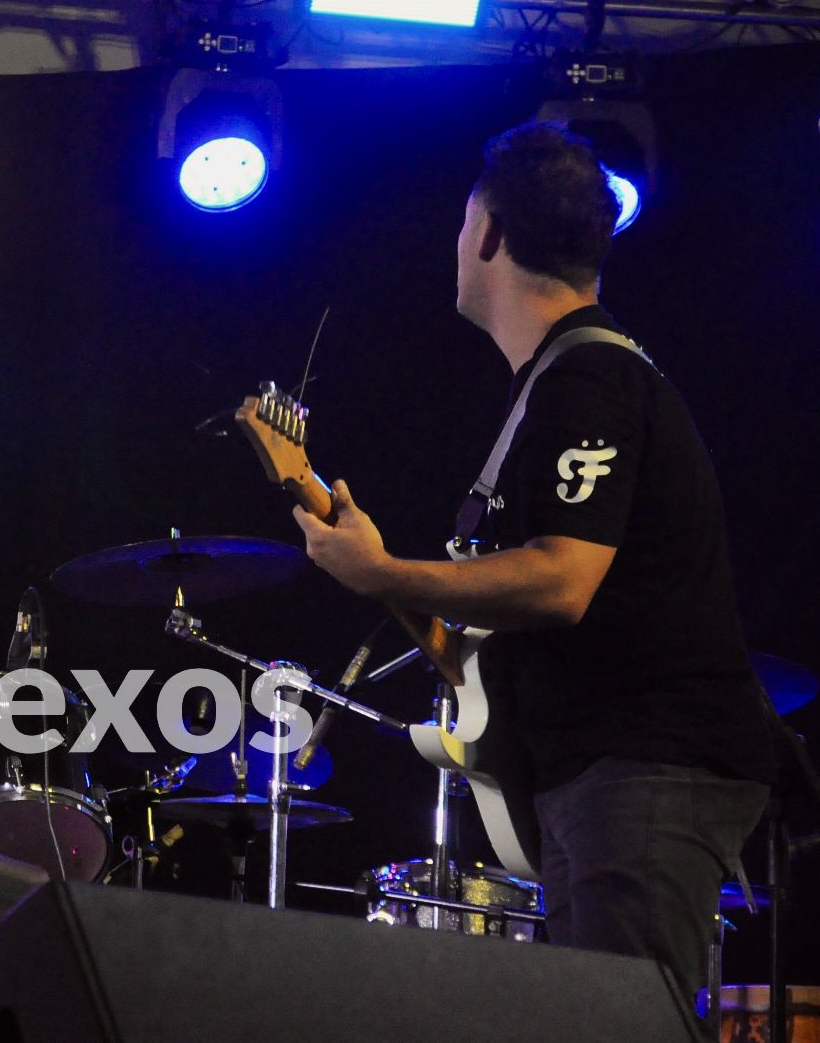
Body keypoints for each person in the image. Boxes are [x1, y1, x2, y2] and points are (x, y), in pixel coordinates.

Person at [292, 121, 776, 1024]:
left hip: (645, 766)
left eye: (462, 221)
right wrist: (384, 573)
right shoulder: (562, 379)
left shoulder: (587, 378)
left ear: (489, 233)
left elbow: (562, 581)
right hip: (602, 770)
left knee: (627, 1024)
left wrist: (384, 570)